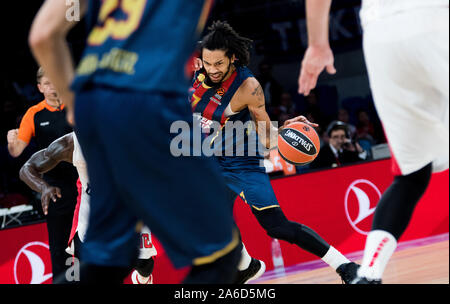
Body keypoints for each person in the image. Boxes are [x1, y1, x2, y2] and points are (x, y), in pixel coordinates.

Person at [29, 0, 242, 284]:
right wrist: (315, 44)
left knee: (109, 262)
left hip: (96, 108)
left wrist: (73, 102)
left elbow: (43, 35)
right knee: (221, 254)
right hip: (148, 100)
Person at [191, 20, 359, 284]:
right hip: (209, 158)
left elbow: (264, 131)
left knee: (276, 227)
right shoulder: (198, 61)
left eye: (219, 64)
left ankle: (345, 265)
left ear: (232, 58)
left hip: (240, 161)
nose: (212, 69)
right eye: (208, 63)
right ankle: (245, 266)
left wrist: (279, 132)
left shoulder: (248, 87)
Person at [298, 0, 449, 283]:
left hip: (380, 35)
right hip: (436, 16)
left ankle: (368, 274)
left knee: (413, 175)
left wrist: (317, 44)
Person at [19, 132, 156, 284]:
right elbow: (27, 168)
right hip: (91, 218)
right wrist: (43, 187)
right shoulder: (73, 144)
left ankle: (143, 277)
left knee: (144, 264)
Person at [7, 67, 78, 281]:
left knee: (87, 247)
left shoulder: (76, 106)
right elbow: (17, 152)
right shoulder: (34, 114)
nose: (52, 87)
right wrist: (11, 142)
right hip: (55, 187)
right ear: (39, 88)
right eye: (47, 83)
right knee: (60, 249)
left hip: (85, 183)